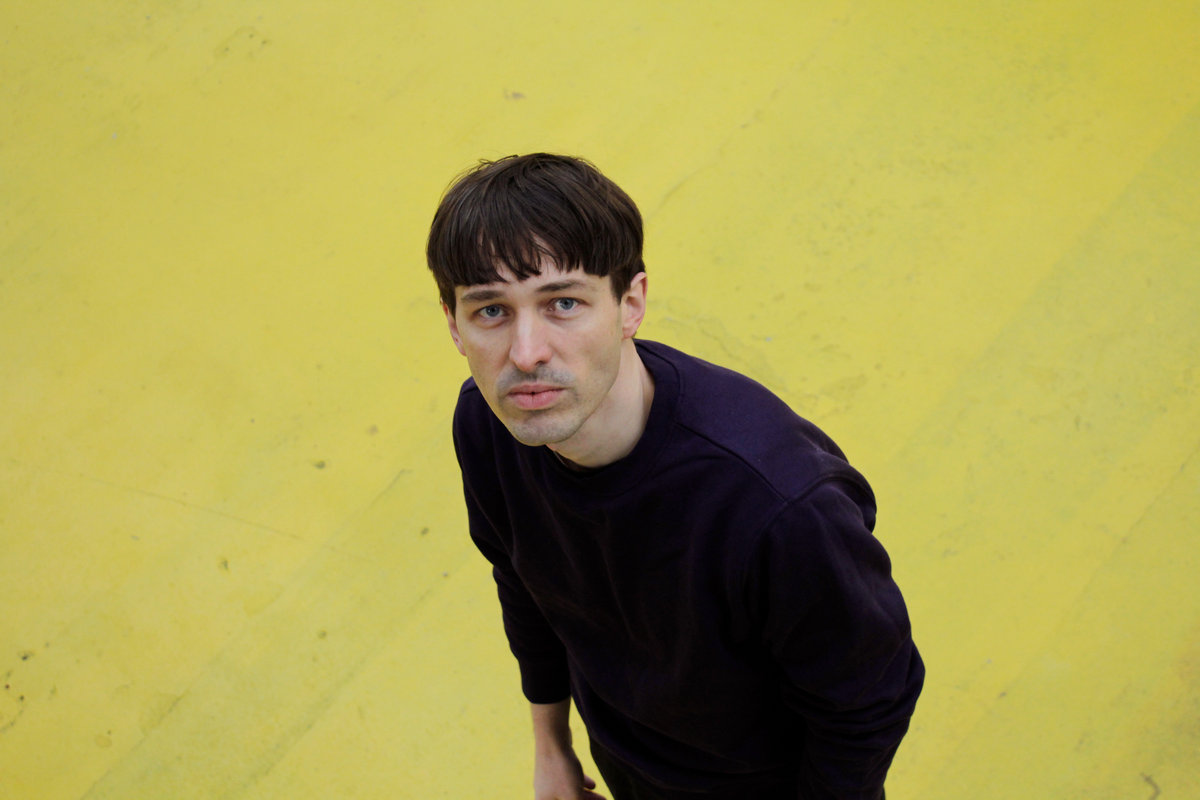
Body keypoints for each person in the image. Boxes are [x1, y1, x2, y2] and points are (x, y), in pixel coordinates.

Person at [426, 153, 923, 800]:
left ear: (630, 304)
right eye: (491, 311)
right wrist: (552, 748)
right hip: (622, 761)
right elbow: (522, 580)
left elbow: (867, 702)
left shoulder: (775, 503)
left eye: (564, 303)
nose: (526, 354)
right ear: (454, 325)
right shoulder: (490, 425)